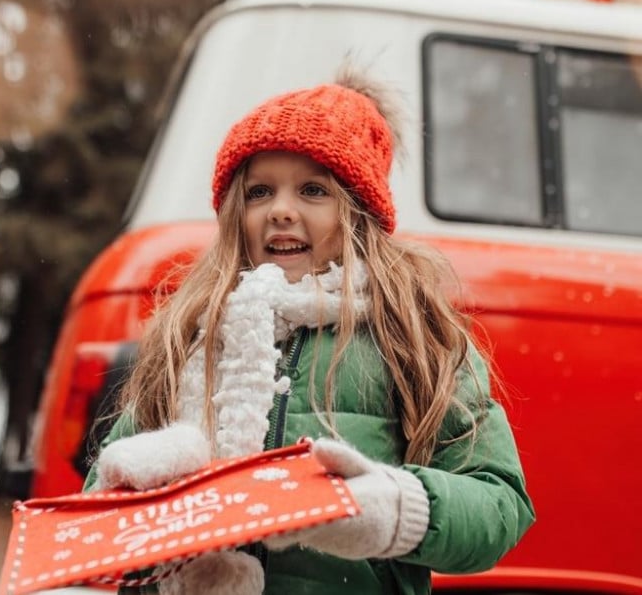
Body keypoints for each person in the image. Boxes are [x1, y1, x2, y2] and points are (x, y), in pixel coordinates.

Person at [81, 68, 535, 594]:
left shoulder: (413, 338)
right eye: (259, 192)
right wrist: (132, 497)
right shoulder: (193, 338)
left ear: (358, 213)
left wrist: (396, 509)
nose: (280, 210)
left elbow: (501, 505)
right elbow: (99, 517)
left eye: (313, 189)